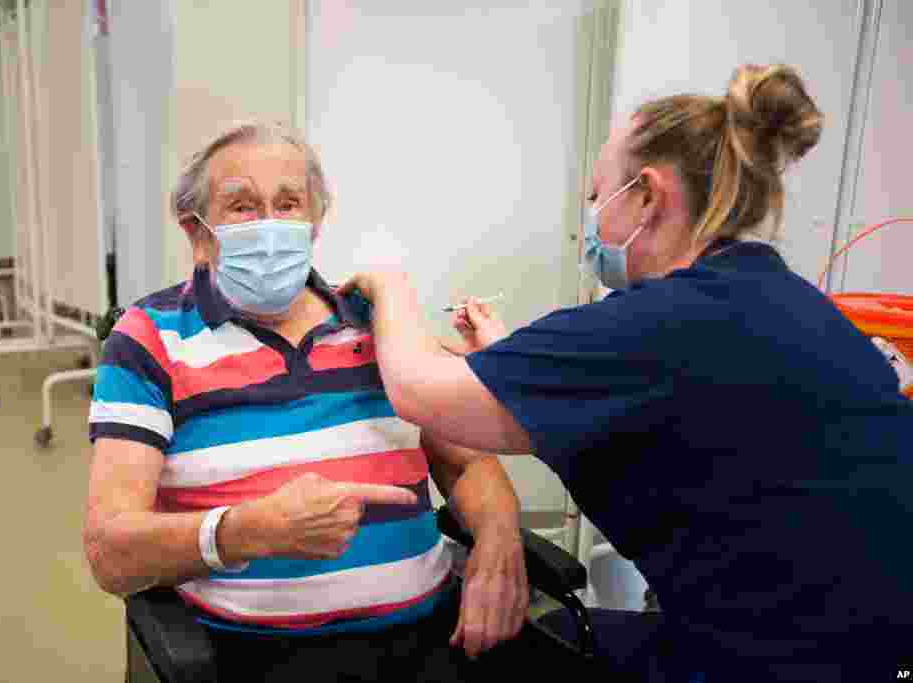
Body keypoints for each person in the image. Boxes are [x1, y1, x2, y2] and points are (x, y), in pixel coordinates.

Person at [340, 65, 913, 682]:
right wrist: (504, 356)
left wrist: (388, 284)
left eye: (595, 196)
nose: (590, 217)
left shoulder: (663, 322)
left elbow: (417, 392)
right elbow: (629, 405)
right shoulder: (782, 300)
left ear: (647, 195)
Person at [82, 121, 583, 682]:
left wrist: (498, 540)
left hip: (431, 641)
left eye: (289, 203)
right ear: (198, 234)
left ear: (315, 223)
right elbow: (110, 549)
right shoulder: (150, 338)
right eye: (243, 206)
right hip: (256, 659)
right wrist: (246, 531)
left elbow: (468, 463)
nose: (270, 225)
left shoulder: (381, 325)